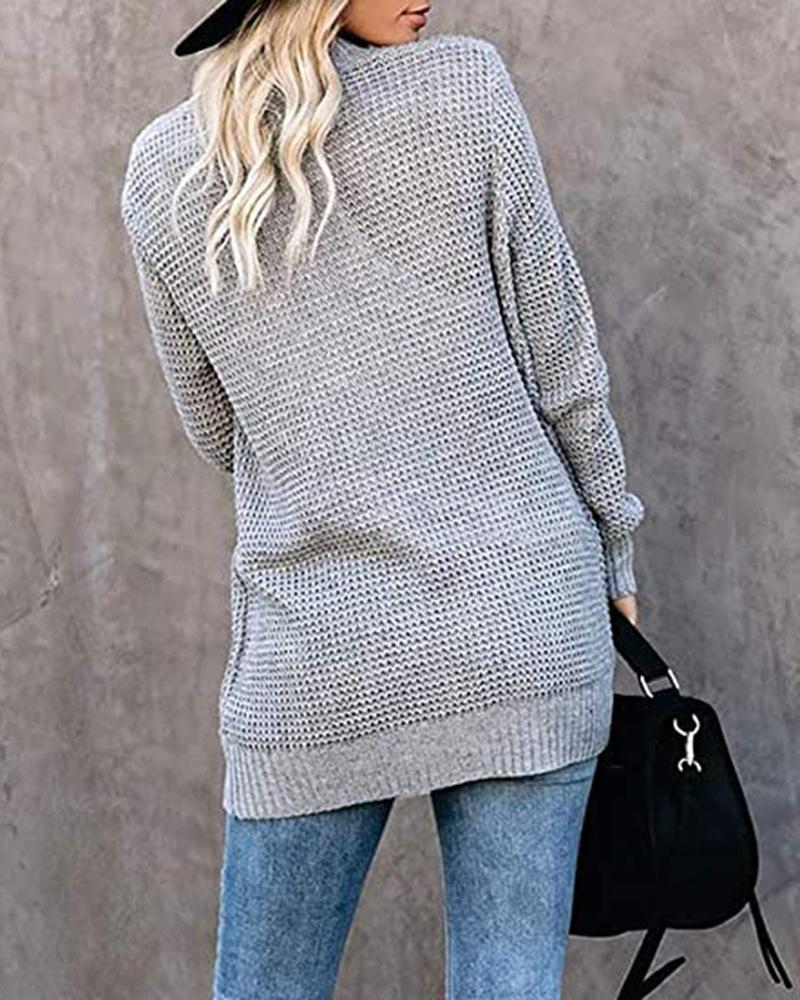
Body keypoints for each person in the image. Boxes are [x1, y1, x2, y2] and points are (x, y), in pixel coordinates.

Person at [119, 0, 646, 996]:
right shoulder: (468, 89)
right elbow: (562, 360)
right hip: (522, 621)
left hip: (316, 654)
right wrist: (614, 546)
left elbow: (219, 431)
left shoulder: (164, 172)